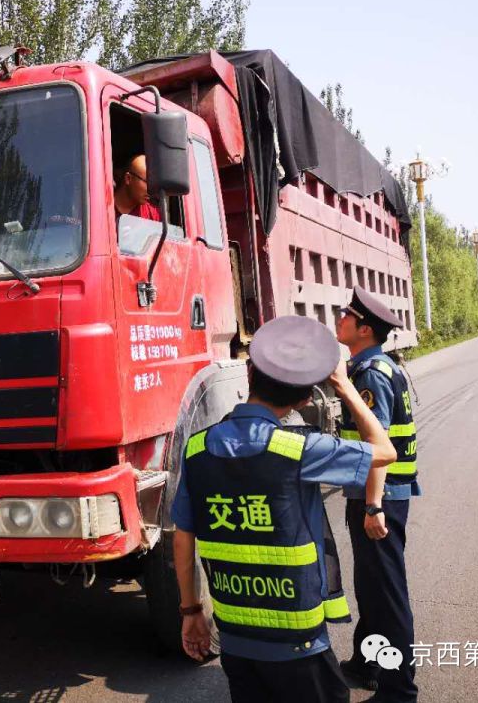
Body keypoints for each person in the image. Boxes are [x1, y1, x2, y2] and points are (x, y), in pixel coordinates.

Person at [171, 315, 398, 703]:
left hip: (235, 637)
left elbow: (183, 538)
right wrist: (344, 387)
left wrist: (191, 610)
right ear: (306, 399)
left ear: (248, 373)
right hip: (298, 643)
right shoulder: (300, 450)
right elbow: (385, 450)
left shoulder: (196, 449)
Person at [335, 287, 420, 703]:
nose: (339, 318)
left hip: (379, 498)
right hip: (377, 495)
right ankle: (366, 662)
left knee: (386, 595)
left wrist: (372, 506)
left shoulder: (369, 374)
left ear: (364, 328)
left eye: (345, 314)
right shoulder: (376, 366)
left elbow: (376, 445)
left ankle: (399, 690)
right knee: (371, 586)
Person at [113, 153, 162, 221]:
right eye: (147, 182)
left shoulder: (153, 215)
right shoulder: (101, 206)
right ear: (128, 178)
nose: (151, 189)